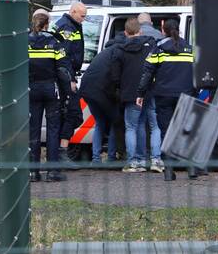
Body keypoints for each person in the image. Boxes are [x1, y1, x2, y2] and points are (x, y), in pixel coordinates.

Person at [137, 18, 194, 179]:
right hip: (186, 95)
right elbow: (198, 72)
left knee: (166, 132)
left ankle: (168, 171)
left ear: (163, 30)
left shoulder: (159, 48)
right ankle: (191, 168)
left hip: (164, 96)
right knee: (186, 130)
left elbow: (147, 72)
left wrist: (140, 94)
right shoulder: (190, 49)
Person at [111, 17, 162, 173]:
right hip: (149, 91)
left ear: (125, 32)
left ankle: (134, 162)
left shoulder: (119, 49)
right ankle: (155, 160)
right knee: (153, 126)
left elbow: (114, 75)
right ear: (140, 31)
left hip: (130, 93)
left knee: (132, 127)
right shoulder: (151, 45)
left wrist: (120, 89)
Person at [29, 12, 71, 182]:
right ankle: (53, 171)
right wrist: (67, 91)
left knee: (34, 129)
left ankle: (33, 171)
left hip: (31, 88)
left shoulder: (25, 41)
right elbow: (62, 69)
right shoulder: (55, 42)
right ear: (47, 24)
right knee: (53, 129)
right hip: (51, 89)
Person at [78, 31, 125, 165]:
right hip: (101, 92)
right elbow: (116, 77)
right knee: (115, 122)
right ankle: (111, 158)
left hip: (87, 91)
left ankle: (96, 159)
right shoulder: (119, 52)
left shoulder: (105, 52)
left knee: (100, 123)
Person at [51, 2, 86, 164]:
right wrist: (69, 80)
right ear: (73, 11)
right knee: (72, 114)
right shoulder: (66, 27)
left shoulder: (71, 25)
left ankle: (58, 152)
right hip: (64, 77)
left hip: (66, 75)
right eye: (82, 15)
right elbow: (62, 57)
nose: (84, 19)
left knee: (67, 115)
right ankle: (61, 152)